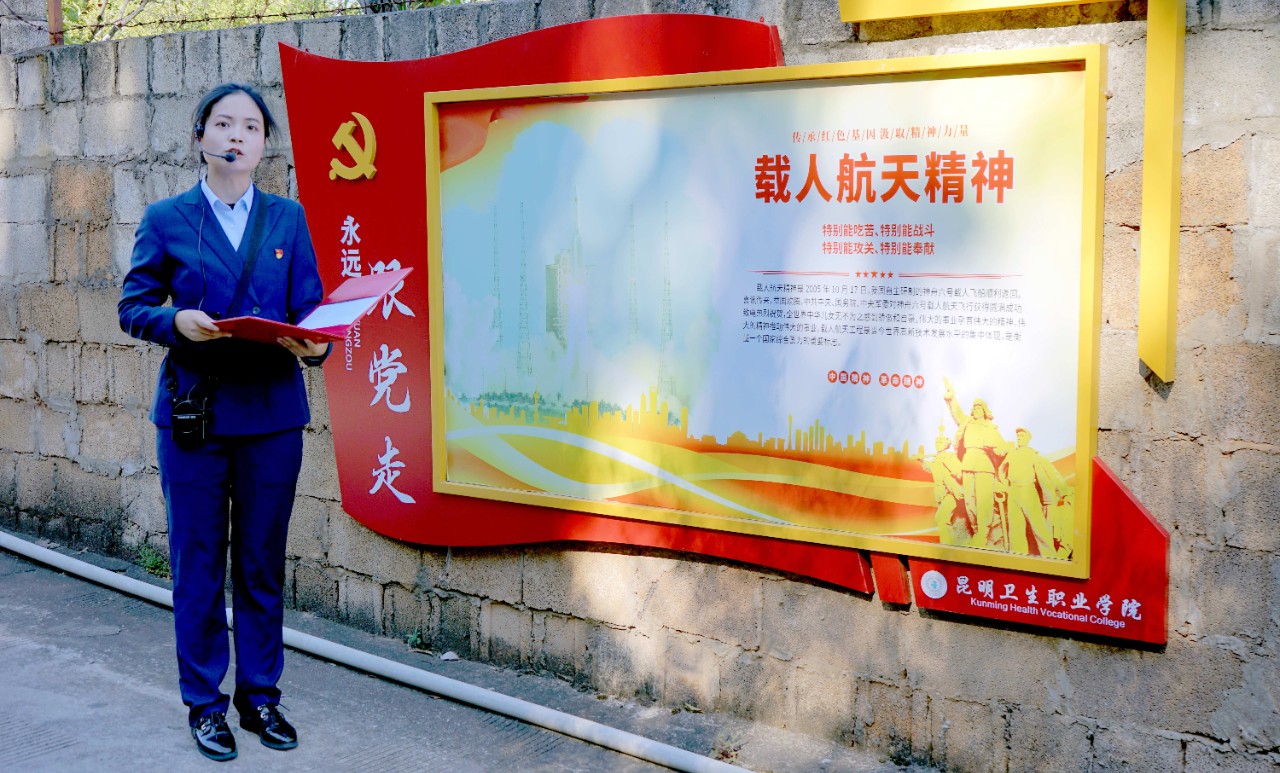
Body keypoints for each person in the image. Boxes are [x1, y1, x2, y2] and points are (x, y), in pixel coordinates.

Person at [118, 82, 330, 762]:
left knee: (263, 562)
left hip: (272, 415)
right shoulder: (166, 218)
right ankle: (205, 704)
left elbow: (311, 310)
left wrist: (316, 345)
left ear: (264, 145)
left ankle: (260, 696)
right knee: (199, 564)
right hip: (196, 416)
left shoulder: (288, 219)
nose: (237, 136)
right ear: (200, 136)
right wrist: (174, 321)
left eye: (251, 127)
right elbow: (133, 306)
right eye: (224, 124)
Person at [942, 378, 1009, 550]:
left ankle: (984, 535)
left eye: (980, 408)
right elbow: (957, 413)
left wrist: (993, 447)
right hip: (968, 464)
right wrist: (952, 397)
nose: (977, 410)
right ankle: (977, 532)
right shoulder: (967, 423)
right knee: (970, 502)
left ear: (985, 411)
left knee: (984, 501)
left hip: (985, 466)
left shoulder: (991, 428)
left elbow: (1003, 449)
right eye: (975, 408)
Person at [999, 427, 1074, 558]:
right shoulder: (1011, 455)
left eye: (1022, 436)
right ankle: (1018, 558)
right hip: (1013, 492)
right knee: (1015, 528)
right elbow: (1001, 471)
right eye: (1018, 436)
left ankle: (1049, 557)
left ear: (1028, 439)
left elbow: (1052, 473)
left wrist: (1065, 492)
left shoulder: (1033, 455)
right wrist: (1003, 485)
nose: (1019, 438)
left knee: (1039, 527)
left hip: (1028, 490)